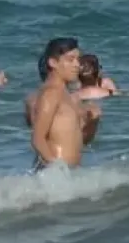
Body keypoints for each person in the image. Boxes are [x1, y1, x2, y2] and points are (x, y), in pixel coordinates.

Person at [26, 37, 99, 170]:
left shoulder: (67, 96)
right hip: (53, 175)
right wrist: (58, 170)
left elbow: (78, 142)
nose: (77, 65)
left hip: (68, 174)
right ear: (53, 62)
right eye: (71, 60)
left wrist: (93, 121)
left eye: (78, 59)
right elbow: (37, 139)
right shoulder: (51, 93)